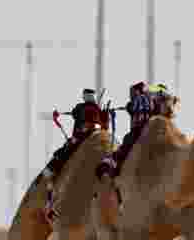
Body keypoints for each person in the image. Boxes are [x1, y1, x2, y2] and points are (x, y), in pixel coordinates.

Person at [41, 88, 106, 222]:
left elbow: (76, 113)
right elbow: (104, 125)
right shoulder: (98, 110)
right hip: (97, 137)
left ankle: (49, 199)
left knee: (59, 157)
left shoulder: (80, 108)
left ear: (84, 96)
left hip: (82, 138)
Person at [96, 82, 159, 181]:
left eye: (132, 93)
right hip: (149, 129)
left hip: (140, 130)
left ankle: (110, 166)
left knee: (124, 147)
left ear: (137, 91)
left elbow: (136, 111)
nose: (131, 95)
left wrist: (129, 107)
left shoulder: (140, 98)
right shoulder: (150, 99)